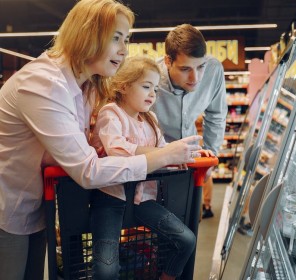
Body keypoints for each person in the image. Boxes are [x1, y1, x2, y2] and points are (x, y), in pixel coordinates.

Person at [0, 1, 201, 279]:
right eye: (116, 37)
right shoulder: (44, 84)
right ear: (87, 34)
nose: (123, 49)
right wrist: (163, 156)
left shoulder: (86, 86)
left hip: (34, 205)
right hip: (7, 208)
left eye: (126, 39)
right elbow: (88, 170)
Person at [90, 55, 203, 280]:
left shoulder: (150, 119)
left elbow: (163, 149)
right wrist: (166, 154)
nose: (152, 94)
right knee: (106, 270)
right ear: (123, 86)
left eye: (155, 89)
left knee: (186, 240)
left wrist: (191, 153)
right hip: (110, 199)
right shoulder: (110, 113)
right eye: (146, 87)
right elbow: (117, 150)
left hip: (145, 199)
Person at [153, 23, 228, 219]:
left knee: (189, 222)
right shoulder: (151, 78)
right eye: (185, 69)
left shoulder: (213, 70)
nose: (195, 77)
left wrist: (211, 156)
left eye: (200, 66)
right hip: (156, 165)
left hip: (191, 162)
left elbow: (216, 115)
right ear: (168, 61)